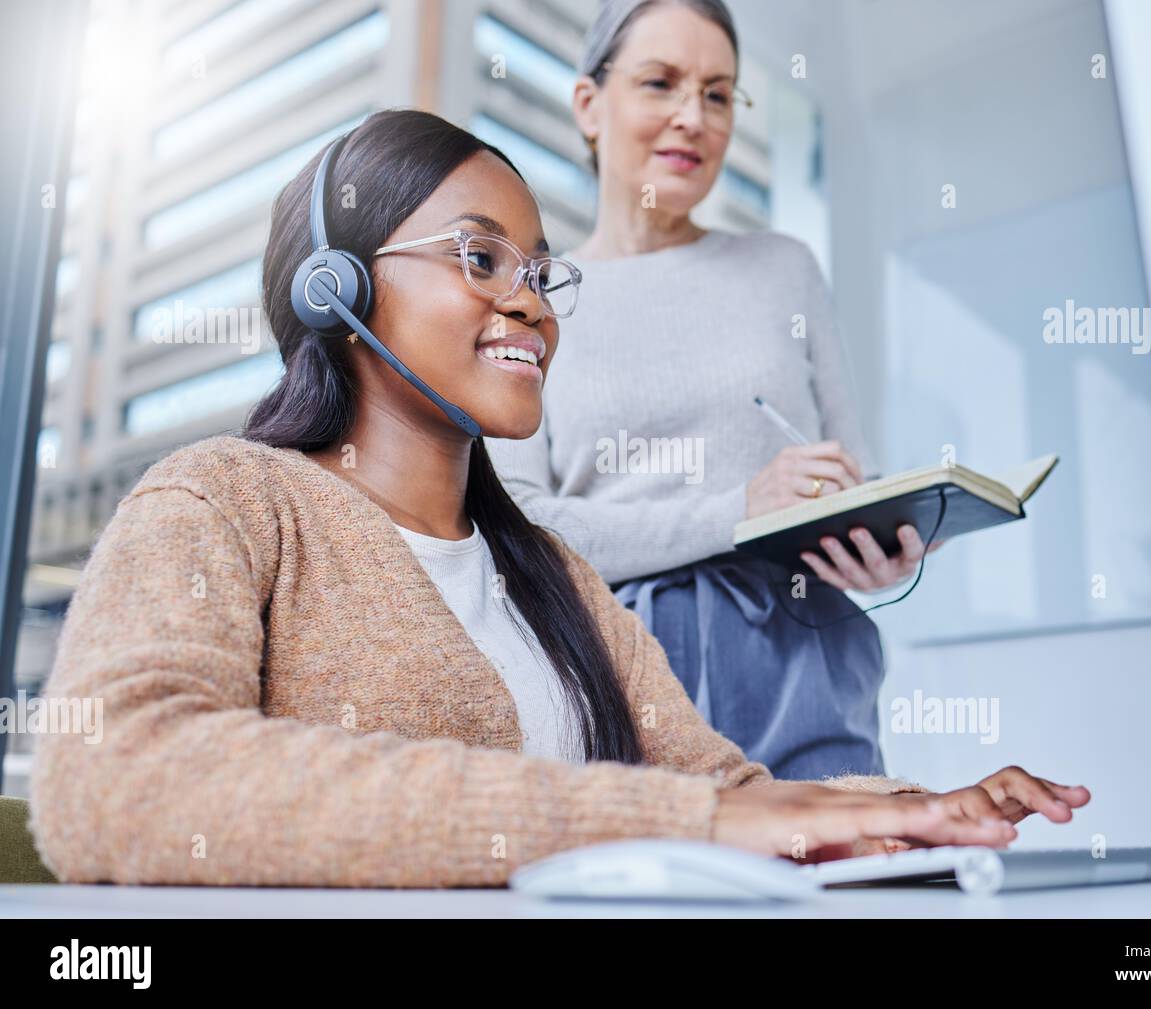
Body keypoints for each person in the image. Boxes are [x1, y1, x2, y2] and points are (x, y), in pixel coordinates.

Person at [29, 110, 1087, 887]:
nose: (530, 302)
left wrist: (918, 809)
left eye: (539, 270)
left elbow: (722, 788)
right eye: (480, 257)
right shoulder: (220, 501)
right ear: (337, 287)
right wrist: (664, 824)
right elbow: (112, 777)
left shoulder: (551, 570)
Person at [486, 0, 931, 779]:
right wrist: (735, 510)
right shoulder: (532, 304)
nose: (694, 117)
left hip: (804, 652)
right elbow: (522, 531)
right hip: (620, 672)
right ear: (589, 105)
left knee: (846, 881)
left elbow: (844, 468)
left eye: (719, 93)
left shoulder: (784, 269)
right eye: (661, 83)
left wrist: (875, 542)